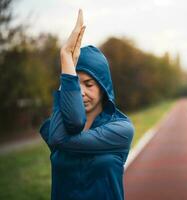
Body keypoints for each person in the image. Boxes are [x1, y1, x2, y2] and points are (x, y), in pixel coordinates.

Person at [39, 9, 134, 200]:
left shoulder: (121, 130)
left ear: (103, 88)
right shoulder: (55, 126)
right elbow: (73, 123)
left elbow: (60, 139)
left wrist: (67, 56)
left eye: (88, 84)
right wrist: (67, 70)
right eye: (75, 83)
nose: (80, 91)